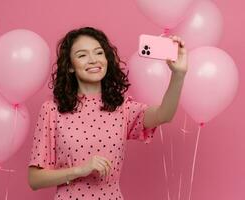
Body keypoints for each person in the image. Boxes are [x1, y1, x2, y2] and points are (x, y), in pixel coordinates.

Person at [27, 26, 187, 199]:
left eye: (98, 53)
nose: (93, 60)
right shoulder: (52, 109)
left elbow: (164, 115)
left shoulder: (122, 107)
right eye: (82, 55)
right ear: (70, 67)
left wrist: (179, 74)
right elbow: (35, 179)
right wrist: (79, 170)